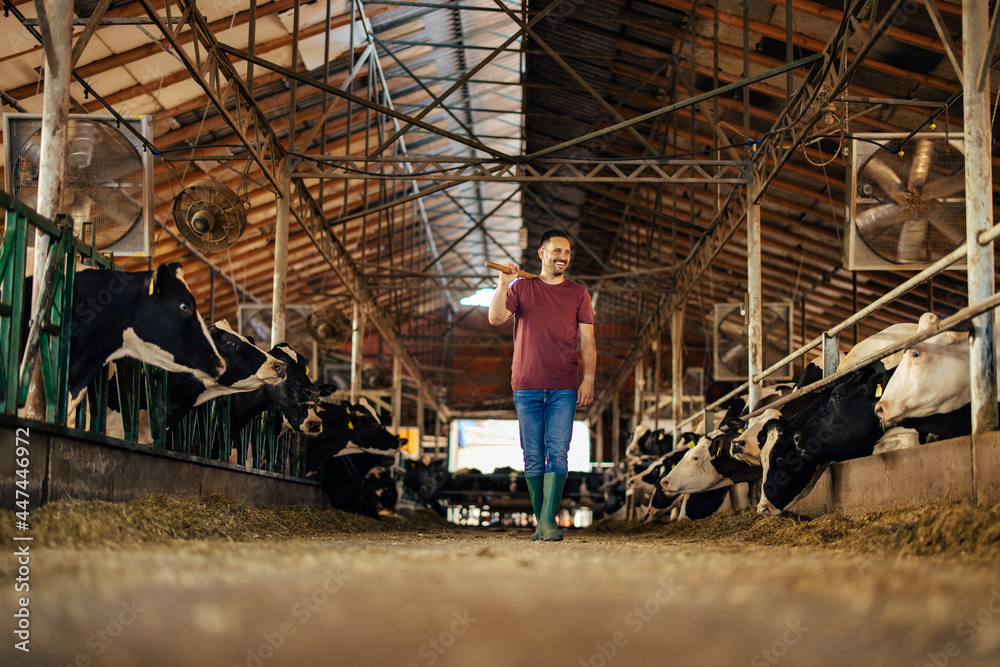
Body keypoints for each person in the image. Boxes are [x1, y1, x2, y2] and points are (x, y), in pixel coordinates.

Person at [488, 229, 596, 541]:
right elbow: (495, 318)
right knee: (532, 454)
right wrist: (502, 284)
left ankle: (548, 522)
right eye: (556, 251)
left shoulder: (578, 293)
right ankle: (543, 522)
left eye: (567, 252)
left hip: (563, 384)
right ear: (542, 253)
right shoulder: (521, 287)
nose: (562, 257)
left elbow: (587, 341)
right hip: (526, 384)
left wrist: (587, 379)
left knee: (558, 450)